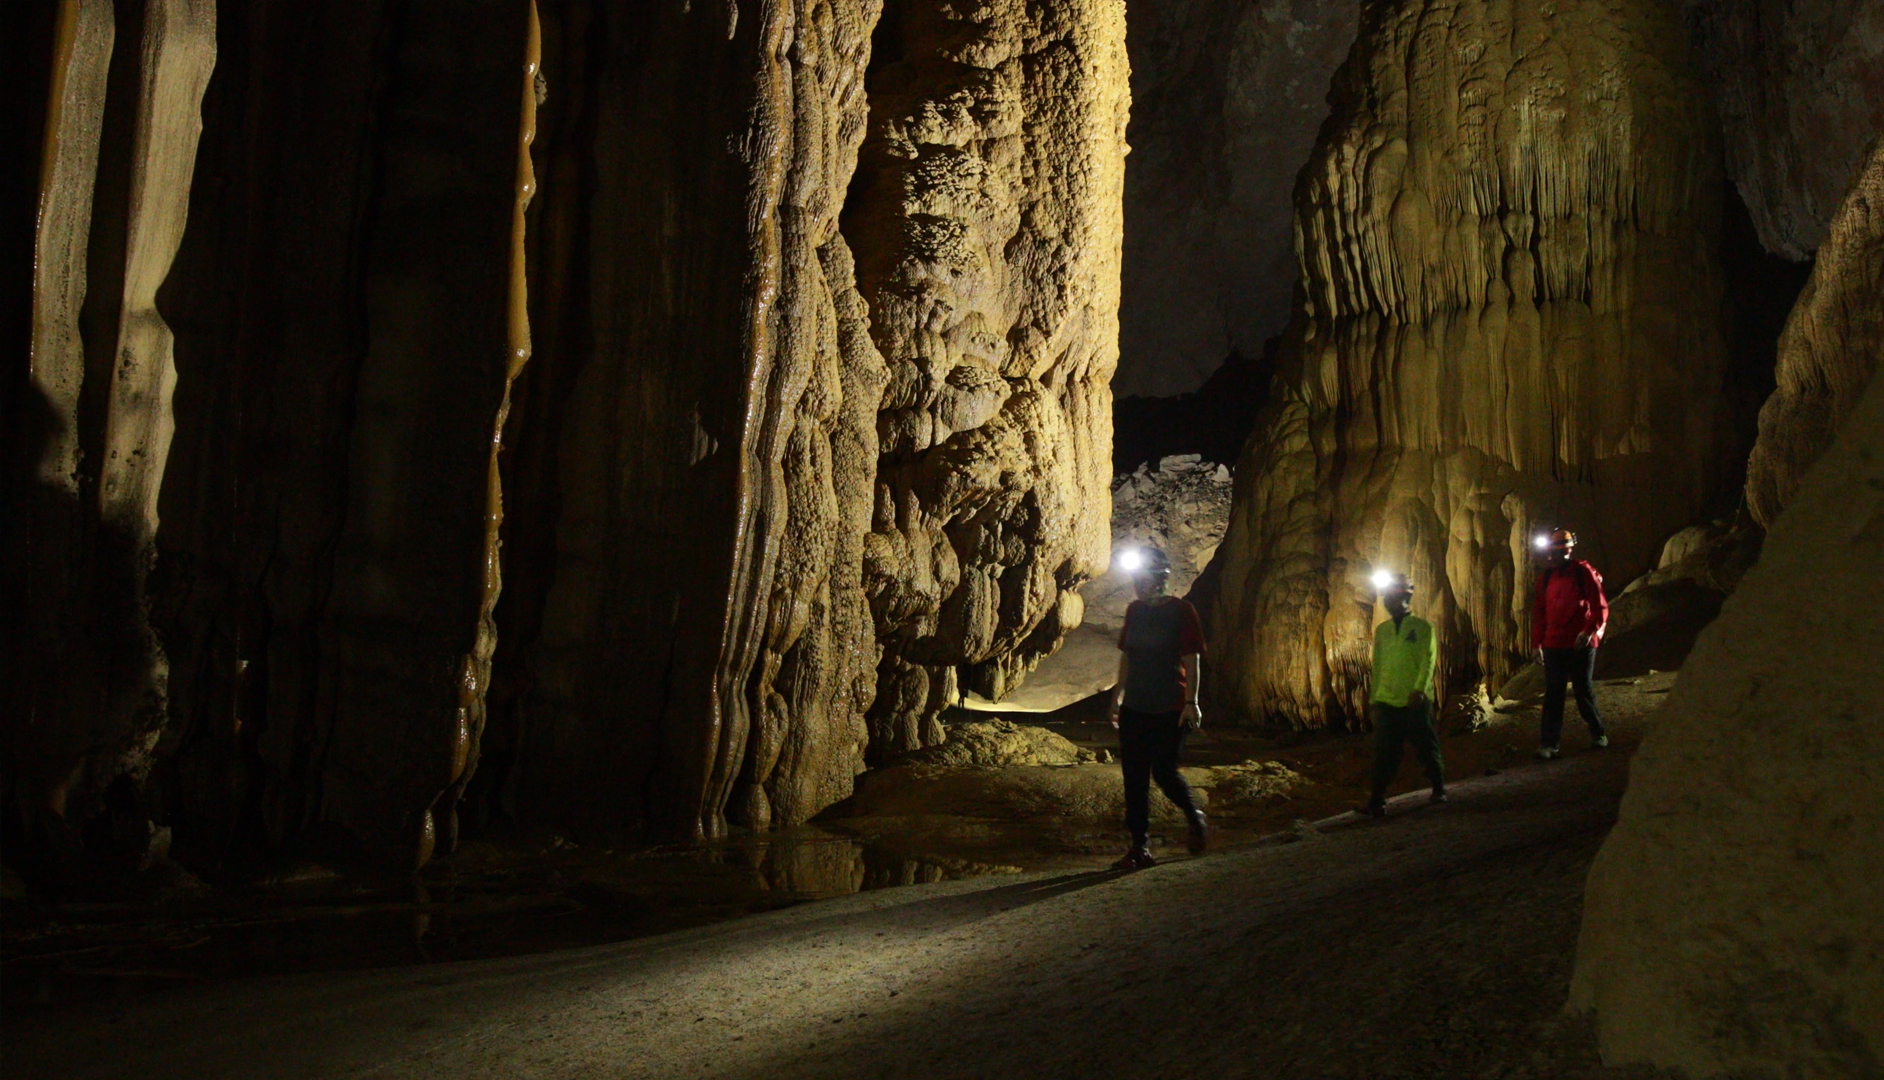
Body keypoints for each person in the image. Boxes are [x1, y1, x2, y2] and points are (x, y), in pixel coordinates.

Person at [1105, 546, 1208, 869]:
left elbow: (1192, 660)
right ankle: (1139, 847)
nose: (1139, 584)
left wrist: (1192, 702)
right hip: (1135, 705)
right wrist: (1117, 696)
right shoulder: (1134, 611)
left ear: (1159, 578)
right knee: (1133, 776)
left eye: (1143, 578)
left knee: (1163, 772)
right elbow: (1127, 656)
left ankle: (1195, 816)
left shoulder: (1182, 611)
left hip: (1169, 706)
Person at [1359, 571, 1445, 818]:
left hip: (1415, 699)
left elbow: (1428, 661)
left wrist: (1420, 689)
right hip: (1386, 700)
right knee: (1384, 751)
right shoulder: (1383, 630)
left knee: (1426, 746)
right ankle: (1376, 798)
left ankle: (1438, 786)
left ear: (1405, 597)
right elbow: (1378, 665)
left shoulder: (1422, 628)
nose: (1388, 602)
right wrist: (1374, 698)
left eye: (1392, 597)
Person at [1531, 528, 1610, 759]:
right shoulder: (1545, 578)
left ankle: (1598, 733)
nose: (1549, 558)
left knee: (1582, 690)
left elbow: (1600, 606)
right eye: (1547, 554)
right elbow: (1540, 613)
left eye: (1553, 553)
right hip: (1554, 643)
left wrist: (1588, 631)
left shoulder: (1583, 572)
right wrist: (1537, 643)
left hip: (1580, 644)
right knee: (1553, 694)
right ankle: (1549, 744)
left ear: (1565, 551)